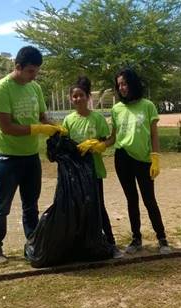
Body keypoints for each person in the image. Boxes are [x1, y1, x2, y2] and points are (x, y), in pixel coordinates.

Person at [0, 46, 67, 264]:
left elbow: (42, 117)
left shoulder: (35, 88)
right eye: (31, 71)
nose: (34, 75)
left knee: (31, 204)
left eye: (37, 71)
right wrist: (37, 129)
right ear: (18, 67)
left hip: (30, 156)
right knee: (2, 205)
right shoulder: (2, 89)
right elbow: (6, 127)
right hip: (7, 156)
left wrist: (57, 128)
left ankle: (32, 242)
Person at [109, 68, 171, 254]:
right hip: (122, 158)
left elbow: (153, 135)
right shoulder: (116, 109)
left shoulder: (148, 106)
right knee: (131, 200)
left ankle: (162, 239)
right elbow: (113, 137)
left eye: (125, 83)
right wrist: (98, 145)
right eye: (119, 84)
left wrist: (155, 158)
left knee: (149, 200)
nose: (122, 88)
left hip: (143, 160)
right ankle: (136, 239)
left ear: (133, 84)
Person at [63, 76, 123, 259]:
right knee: (76, 208)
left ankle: (111, 243)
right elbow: (64, 144)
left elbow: (109, 139)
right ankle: (78, 244)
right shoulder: (68, 120)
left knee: (98, 206)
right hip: (74, 174)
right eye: (75, 96)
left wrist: (99, 145)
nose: (78, 99)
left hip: (94, 171)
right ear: (70, 99)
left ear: (88, 97)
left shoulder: (97, 118)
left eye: (81, 95)